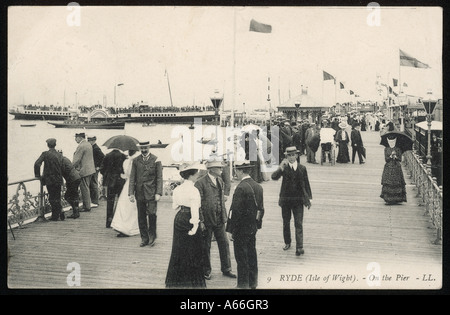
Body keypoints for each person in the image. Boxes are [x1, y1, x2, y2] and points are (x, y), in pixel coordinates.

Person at [165, 162, 207, 288]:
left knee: (178, 248)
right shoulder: (194, 190)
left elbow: (174, 206)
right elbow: (195, 209)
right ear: (192, 175)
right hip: (190, 219)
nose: (198, 175)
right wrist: (195, 226)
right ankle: (193, 280)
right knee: (193, 250)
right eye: (196, 173)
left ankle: (177, 279)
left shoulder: (178, 189)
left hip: (179, 218)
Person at [194, 159, 236, 280]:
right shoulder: (200, 183)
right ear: (211, 170)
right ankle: (206, 270)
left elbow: (221, 200)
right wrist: (201, 221)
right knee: (205, 246)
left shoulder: (220, 181)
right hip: (207, 220)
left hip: (220, 219)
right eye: (219, 168)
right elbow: (198, 204)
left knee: (224, 243)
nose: (222, 170)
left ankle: (226, 269)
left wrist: (224, 216)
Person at [227, 160, 264, 289]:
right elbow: (261, 209)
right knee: (252, 254)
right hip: (252, 227)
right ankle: (253, 282)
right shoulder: (258, 186)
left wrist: (231, 230)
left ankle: (242, 284)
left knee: (241, 256)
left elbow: (235, 211)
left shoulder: (241, 188)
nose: (235, 173)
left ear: (241, 171)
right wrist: (257, 225)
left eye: (236, 170)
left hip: (241, 229)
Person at [271, 146, 312, 256]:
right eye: (289, 155)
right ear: (286, 157)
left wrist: (308, 198)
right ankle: (287, 242)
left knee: (298, 223)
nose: (291, 157)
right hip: (286, 200)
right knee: (286, 222)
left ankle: (299, 247)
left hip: (298, 200)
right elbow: (273, 177)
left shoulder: (302, 168)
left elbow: (306, 184)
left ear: (297, 155)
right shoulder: (284, 168)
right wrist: (280, 168)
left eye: (293, 155)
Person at [129, 141, 163, 247]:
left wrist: (158, 192)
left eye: (145, 148)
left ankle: (152, 236)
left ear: (149, 147)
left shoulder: (156, 159)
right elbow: (132, 177)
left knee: (152, 214)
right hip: (139, 192)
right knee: (141, 216)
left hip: (152, 192)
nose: (143, 150)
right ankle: (144, 238)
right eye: (142, 148)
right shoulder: (135, 160)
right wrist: (131, 193)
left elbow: (159, 178)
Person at [111, 150, 140, 237]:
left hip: (128, 185)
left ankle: (124, 226)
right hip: (134, 184)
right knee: (131, 206)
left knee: (125, 205)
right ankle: (131, 227)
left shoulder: (127, 161)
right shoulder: (135, 161)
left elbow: (126, 174)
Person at [34, 138, 64, 221]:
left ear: (48, 145)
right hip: (58, 179)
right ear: (55, 145)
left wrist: (38, 175)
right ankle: (59, 211)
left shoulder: (45, 154)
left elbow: (37, 164)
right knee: (57, 197)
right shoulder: (59, 155)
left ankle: (55, 216)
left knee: (52, 197)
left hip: (49, 179)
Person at [100, 147, 127, 228]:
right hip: (120, 181)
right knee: (120, 201)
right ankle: (118, 221)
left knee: (110, 201)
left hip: (110, 181)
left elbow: (102, 169)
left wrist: (107, 175)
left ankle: (108, 221)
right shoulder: (123, 156)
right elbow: (125, 169)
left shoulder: (107, 156)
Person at [380, 134, 407, 205]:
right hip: (388, 167)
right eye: (390, 141)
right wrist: (390, 156)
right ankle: (388, 198)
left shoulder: (398, 149)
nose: (391, 143)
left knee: (397, 182)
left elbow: (400, 159)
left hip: (396, 167)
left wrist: (396, 157)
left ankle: (397, 199)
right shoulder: (386, 149)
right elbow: (386, 159)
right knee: (388, 182)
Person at [73, 133, 96, 212]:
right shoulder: (88, 144)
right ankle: (87, 204)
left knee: (84, 188)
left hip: (84, 170)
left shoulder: (81, 146)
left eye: (76, 138)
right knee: (87, 187)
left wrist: (71, 168)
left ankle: (86, 206)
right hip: (90, 169)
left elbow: (76, 160)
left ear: (79, 137)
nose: (75, 139)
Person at [60, 151, 81, 219]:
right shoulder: (65, 159)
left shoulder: (61, 161)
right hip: (76, 178)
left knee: (67, 196)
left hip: (72, 180)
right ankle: (76, 211)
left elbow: (62, 171)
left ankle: (76, 211)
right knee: (74, 195)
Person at [88, 136, 105, 208]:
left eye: (90, 140)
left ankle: (95, 201)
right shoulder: (94, 148)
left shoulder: (96, 148)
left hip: (95, 169)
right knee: (93, 184)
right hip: (93, 168)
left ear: (93, 141)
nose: (89, 142)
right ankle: (94, 201)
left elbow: (103, 157)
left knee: (94, 184)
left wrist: (99, 166)